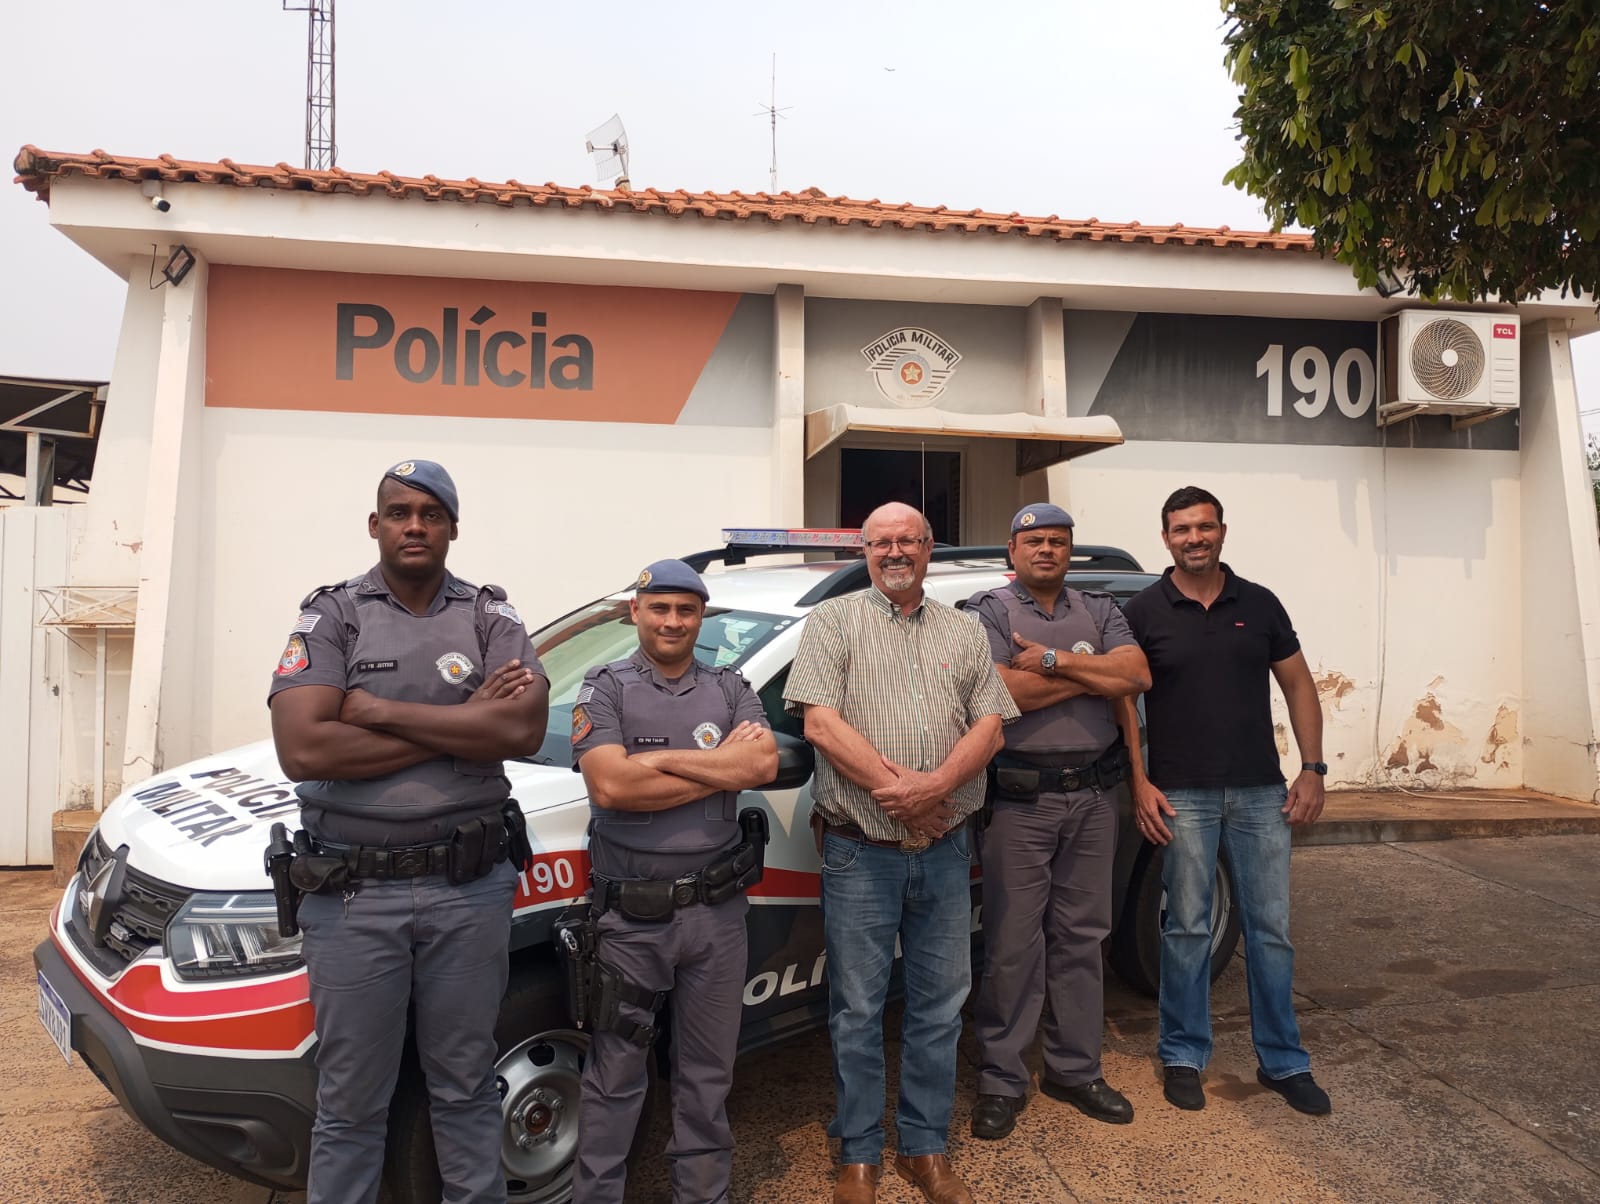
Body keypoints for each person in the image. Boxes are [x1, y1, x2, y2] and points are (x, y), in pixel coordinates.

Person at [267, 458, 550, 1204]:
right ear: (376, 524)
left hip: (469, 889)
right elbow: (304, 748)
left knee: (466, 1084)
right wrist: (465, 722)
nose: (414, 526)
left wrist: (379, 712)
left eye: (431, 514)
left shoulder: (490, 616)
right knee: (351, 1100)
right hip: (354, 897)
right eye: (399, 513)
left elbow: (522, 729)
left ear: (453, 527)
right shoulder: (335, 615)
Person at [784, 502, 1018, 1204]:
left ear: (928, 547)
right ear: (864, 550)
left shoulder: (963, 628)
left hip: (945, 848)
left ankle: (924, 1147)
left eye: (907, 541)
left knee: (939, 1008)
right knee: (857, 1010)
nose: (894, 552)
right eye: (881, 542)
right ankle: (858, 1155)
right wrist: (905, 793)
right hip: (861, 852)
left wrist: (936, 788)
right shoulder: (832, 622)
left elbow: (991, 725)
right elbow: (821, 724)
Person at [570, 559, 778, 1204]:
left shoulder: (729, 687)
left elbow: (762, 763)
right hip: (631, 921)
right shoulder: (604, 688)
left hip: (717, 916)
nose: (672, 621)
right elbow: (611, 785)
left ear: (700, 617)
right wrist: (718, 764)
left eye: (686, 610)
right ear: (636, 612)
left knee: (707, 1076)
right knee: (614, 1076)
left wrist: (657, 760)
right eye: (659, 608)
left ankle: (703, 1195)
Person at [1120, 485, 1331, 1117]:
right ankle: (1183, 1054)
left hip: (1261, 792)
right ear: (1166, 538)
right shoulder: (1142, 611)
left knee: (1271, 930)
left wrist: (1313, 769)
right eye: (1182, 529)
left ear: (1222, 531)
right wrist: (1139, 780)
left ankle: (1284, 1061)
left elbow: (1299, 685)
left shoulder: (1259, 603)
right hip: (1181, 793)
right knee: (1186, 928)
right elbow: (1122, 701)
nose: (1195, 538)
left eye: (1204, 527)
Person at [964, 504, 1152, 1141]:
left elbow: (1137, 674)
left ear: (1070, 550)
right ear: (1012, 550)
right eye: (1034, 540)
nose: (1046, 549)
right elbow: (1003, 695)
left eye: (1058, 541)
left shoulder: (1099, 608)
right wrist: (1093, 674)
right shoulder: (989, 612)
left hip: (1094, 798)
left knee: (1082, 939)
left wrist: (1049, 661)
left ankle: (1075, 1070)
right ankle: (1002, 1079)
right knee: (1013, 944)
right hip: (1020, 801)